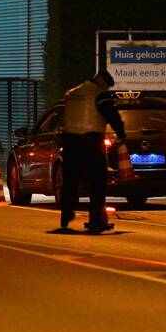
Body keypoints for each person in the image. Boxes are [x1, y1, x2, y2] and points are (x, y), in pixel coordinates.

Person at [59, 68, 127, 233]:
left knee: (70, 180)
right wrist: (121, 133)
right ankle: (96, 219)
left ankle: (66, 214)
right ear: (102, 82)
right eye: (106, 86)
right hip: (90, 142)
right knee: (97, 182)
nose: (106, 90)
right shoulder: (99, 94)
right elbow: (112, 115)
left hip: (69, 141)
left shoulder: (72, 92)